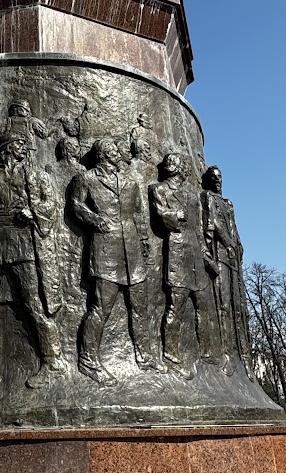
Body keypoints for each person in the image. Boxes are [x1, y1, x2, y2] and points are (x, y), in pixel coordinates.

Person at [0, 133, 64, 387]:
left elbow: (50, 205)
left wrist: (33, 212)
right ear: (7, 149)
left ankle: (52, 360)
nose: (24, 148)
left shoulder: (35, 175)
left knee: (34, 303)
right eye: (20, 144)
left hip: (22, 243)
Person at [69, 137, 155, 380]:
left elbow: (138, 214)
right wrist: (95, 220)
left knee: (140, 307)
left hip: (132, 250)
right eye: (114, 151)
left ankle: (145, 357)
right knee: (100, 309)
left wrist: (145, 241)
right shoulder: (85, 178)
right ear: (104, 154)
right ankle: (88, 360)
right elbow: (75, 204)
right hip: (105, 250)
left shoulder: (129, 182)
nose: (118, 154)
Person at [149, 150, 213, 374]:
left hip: (195, 256)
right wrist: (176, 215)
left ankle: (206, 353)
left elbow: (198, 229)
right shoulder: (158, 190)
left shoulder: (192, 196)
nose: (185, 169)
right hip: (177, 254)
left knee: (203, 305)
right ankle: (170, 353)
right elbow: (160, 215)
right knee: (176, 306)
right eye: (182, 165)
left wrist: (206, 256)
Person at [201, 164, 255, 377]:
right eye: (213, 177)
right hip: (220, 255)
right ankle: (225, 355)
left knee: (239, 308)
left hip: (233, 258)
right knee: (223, 305)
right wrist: (228, 243)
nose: (217, 180)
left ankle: (244, 359)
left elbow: (233, 227)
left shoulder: (228, 203)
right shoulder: (208, 198)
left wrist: (238, 246)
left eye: (219, 177)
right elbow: (211, 223)